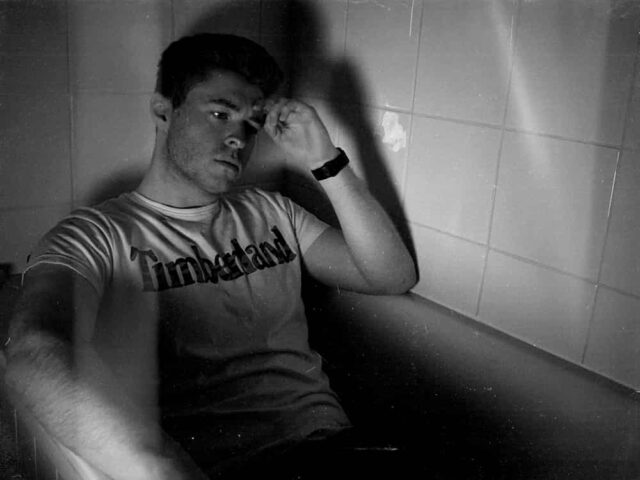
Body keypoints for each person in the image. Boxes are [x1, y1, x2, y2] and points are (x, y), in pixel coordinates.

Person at [4, 33, 416, 479]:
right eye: (220, 114)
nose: (239, 138)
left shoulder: (273, 211)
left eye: (251, 124)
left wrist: (326, 158)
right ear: (163, 111)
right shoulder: (94, 235)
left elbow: (392, 276)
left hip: (331, 447)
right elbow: (33, 353)